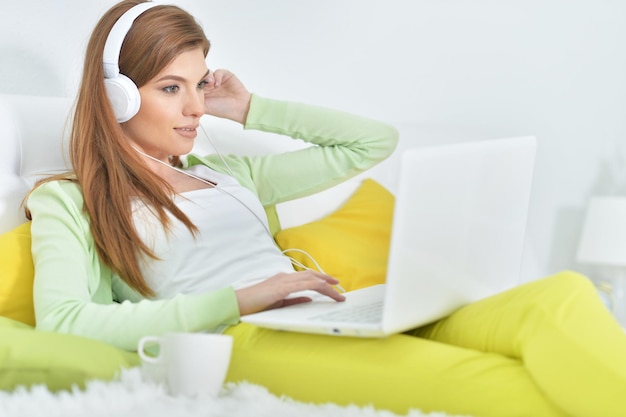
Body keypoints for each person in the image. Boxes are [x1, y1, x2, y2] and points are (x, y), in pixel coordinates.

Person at [26, 1, 626, 416]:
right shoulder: (72, 201)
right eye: (170, 87)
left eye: (199, 83)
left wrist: (252, 107)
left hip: (326, 311)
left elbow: (372, 143)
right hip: (247, 340)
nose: (194, 108)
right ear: (117, 95)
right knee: (511, 390)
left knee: (563, 294)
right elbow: (67, 323)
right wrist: (239, 299)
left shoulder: (232, 174)